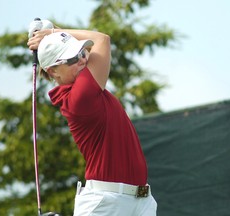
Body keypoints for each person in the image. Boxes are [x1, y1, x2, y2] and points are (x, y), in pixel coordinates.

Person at [27, 23, 157, 216]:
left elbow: (96, 44)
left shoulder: (87, 87)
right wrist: (53, 31)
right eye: (72, 58)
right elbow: (102, 39)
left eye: (81, 52)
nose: (81, 59)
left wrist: (55, 33)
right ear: (53, 71)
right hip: (106, 202)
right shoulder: (80, 97)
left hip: (140, 201)